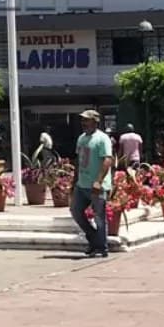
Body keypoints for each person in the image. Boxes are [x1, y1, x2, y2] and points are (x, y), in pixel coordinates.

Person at [70, 109, 114, 258]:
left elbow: (107, 160)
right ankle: (94, 239)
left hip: (97, 186)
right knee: (76, 212)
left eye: (86, 120)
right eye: (82, 120)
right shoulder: (81, 138)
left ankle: (101, 247)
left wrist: (98, 181)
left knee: (99, 217)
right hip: (82, 185)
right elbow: (78, 160)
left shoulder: (102, 138)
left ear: (95, 122)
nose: (83, 123)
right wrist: (74, 181)